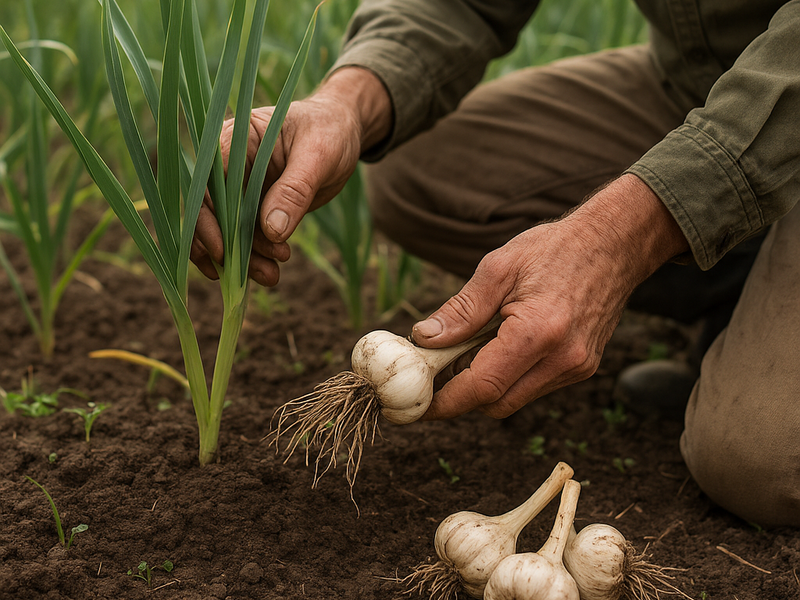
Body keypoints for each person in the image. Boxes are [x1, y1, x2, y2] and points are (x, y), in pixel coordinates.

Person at [191, 0, 800, 527]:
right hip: (703, 88)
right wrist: (346, 101)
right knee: (418, 175)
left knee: (752, 462)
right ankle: (742, 285)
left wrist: (618, 238)